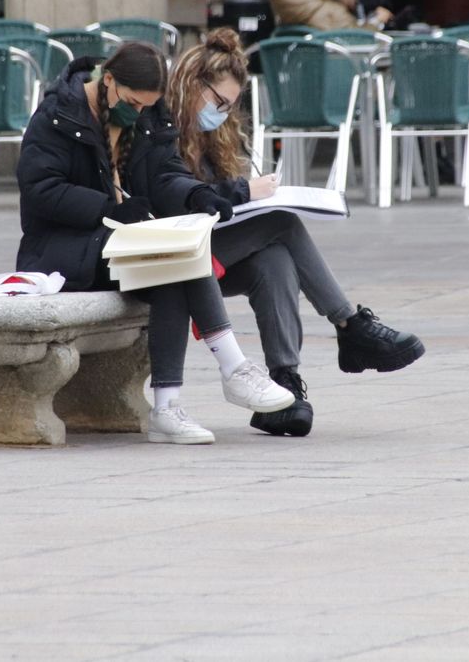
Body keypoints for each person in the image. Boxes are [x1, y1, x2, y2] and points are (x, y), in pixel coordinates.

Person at [15, 40, 296, 445]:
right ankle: (229, 370)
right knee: (172, 260)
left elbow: (165, 172)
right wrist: (103, 209)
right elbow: (41, 189)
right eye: (132, 102)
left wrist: (195, 195)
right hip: (63, 249)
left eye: (148, 105)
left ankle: (168, 408)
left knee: (177, 260)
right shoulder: (57, 115)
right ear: (108, 80)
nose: (139, 112)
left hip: (117, 242)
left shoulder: (146, 114)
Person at [166, 29, 425, 437]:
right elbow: (176, 199)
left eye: (229, 106)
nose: (220, 113)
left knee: (275, 258)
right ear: (189, 85)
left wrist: (246, 196)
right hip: (173, 250)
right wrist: (245, 192)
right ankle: (350, 325)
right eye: (217, 102)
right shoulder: (161, 129)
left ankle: (283, 386)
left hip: (211, 250)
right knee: (281, 224)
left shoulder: (213, 138)